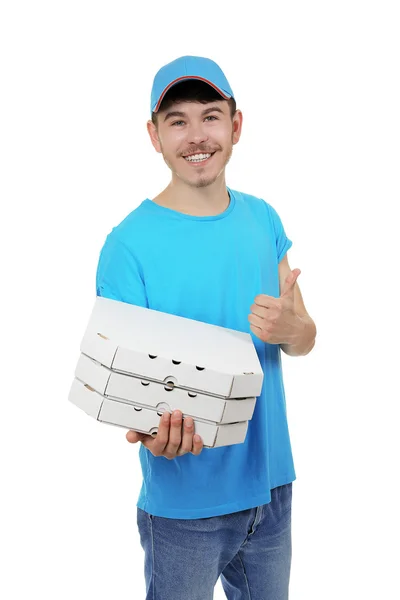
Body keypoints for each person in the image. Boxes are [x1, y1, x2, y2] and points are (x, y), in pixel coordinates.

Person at [95, 55, 317, 600]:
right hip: (185, 506)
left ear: (236, 125)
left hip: (272, 490)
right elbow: (123, 393)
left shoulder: (263, 218)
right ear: (155, 135)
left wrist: (293, 328)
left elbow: (306, 336)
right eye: (177, 121)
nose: (197, 136)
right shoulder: (128, 245)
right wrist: (151, 433)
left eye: (210, 116)